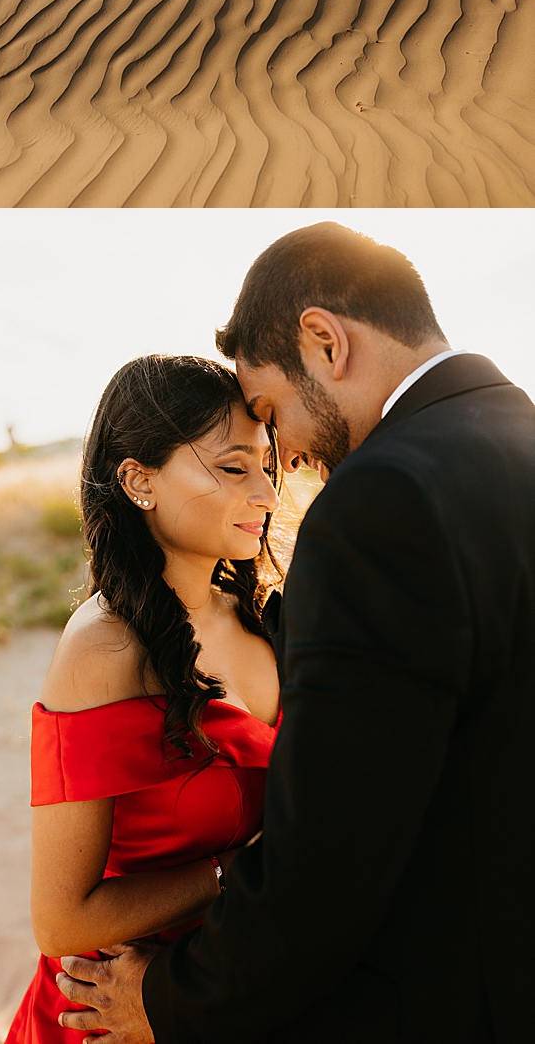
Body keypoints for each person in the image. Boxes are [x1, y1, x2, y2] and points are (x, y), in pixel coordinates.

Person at [53, 222, 535, 1043]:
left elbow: (335, 858)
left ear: (324, 341)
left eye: (271, 414)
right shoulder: (515, 433)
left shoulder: (381, 499)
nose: (288, 460)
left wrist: (171, 999)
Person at [4, 354, 280, 1043]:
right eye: (233, 466)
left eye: (268, 466)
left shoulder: (267, 615)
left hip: (228, 987)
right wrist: (235, 873)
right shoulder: (103, 649)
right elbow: (61, 921)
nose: (268, 495)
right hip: (113, 1009)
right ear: (138, 480)